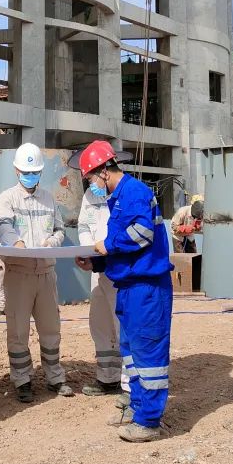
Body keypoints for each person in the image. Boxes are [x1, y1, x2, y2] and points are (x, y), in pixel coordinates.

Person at [80, 139, 174, 443]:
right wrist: (96, 263)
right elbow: (124, 244)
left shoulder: (133, 192)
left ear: (104, 172)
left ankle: (149, 422)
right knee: (131, 353)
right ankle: (137, 407)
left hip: (146, 288)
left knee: (148, 354)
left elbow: (141, 235)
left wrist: (106, 246)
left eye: (91, 178)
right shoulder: (118, 196)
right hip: (131, 286)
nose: (91, 185)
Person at [0, 142, 74, 402]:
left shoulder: (49, 198)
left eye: (35, 172)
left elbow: (59, 229)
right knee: (17, 330)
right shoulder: (7, 198)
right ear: (17, 171)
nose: (31, 176)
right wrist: (17, 244)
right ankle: (22, 380)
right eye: (27, 172)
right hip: (19, 273)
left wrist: (53, 241)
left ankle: (55, 377)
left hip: (46, 274)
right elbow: (3, 227)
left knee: (51, 328)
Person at [74, 177, 128, 401]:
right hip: (98, 267)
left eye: (92, 176)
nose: (90, 181)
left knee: (122, 324)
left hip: (119, 267)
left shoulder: (123, 194)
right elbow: (84, 225)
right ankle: (108, 377)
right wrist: (89, 248)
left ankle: (129, 383)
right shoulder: (90, 196)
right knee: (100, 323)